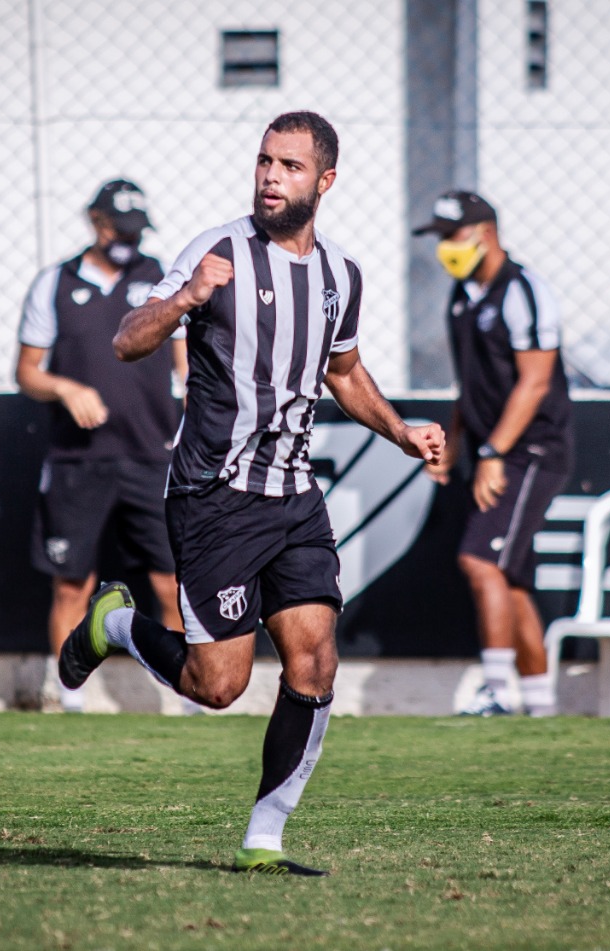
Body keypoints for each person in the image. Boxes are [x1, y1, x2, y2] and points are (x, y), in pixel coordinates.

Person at [59, 111, 444, 875]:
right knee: (219, 683)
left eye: (291, 166)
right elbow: (128, 338)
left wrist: (400, 431)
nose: (271, 176)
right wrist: (186, 298)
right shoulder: (216, 251)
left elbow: (343, 371)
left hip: (296, 496)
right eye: (265, 161)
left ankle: (265, 837)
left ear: (324, 181)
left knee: (314, 662)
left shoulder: (341, 275)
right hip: (214, 495)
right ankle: (121, 623)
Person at [15, 179, 186, 713]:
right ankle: (71, 699)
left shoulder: (159, 276)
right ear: (94, 221)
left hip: (153, 455)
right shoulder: (56, 283)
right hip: (77, 461)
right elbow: (27, 372)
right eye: (117, 228)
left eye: (135, 231)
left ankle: (192, 694)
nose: (125, 240)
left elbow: (184, 360)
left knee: (173, 580)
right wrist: (66, 388)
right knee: (72, 583)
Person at [414, 190, 574, 717]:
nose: (444, 248)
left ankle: (497, 692)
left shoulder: (524, 292)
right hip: (492, 449)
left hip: (530, 451)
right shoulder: (463, 296)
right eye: (439, 238)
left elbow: (534, 383)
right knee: (510, 580)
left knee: (479, 560)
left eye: (451, 236)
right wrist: (455, 443)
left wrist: (492, 453)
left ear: (485, 233)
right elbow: (471, 386)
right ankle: (541, 706)